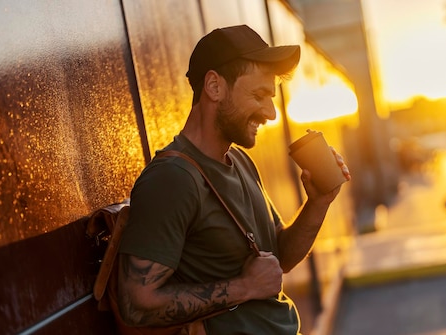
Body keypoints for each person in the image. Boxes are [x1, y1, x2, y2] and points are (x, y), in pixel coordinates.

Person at [115, 25, 351, 335]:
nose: (271, 113)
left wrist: (318, 203)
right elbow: (136, 303)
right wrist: (244, 287)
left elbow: (277, 261)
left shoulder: (239, 160)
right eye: (259, 95)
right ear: (214, 87)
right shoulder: (172, 179)